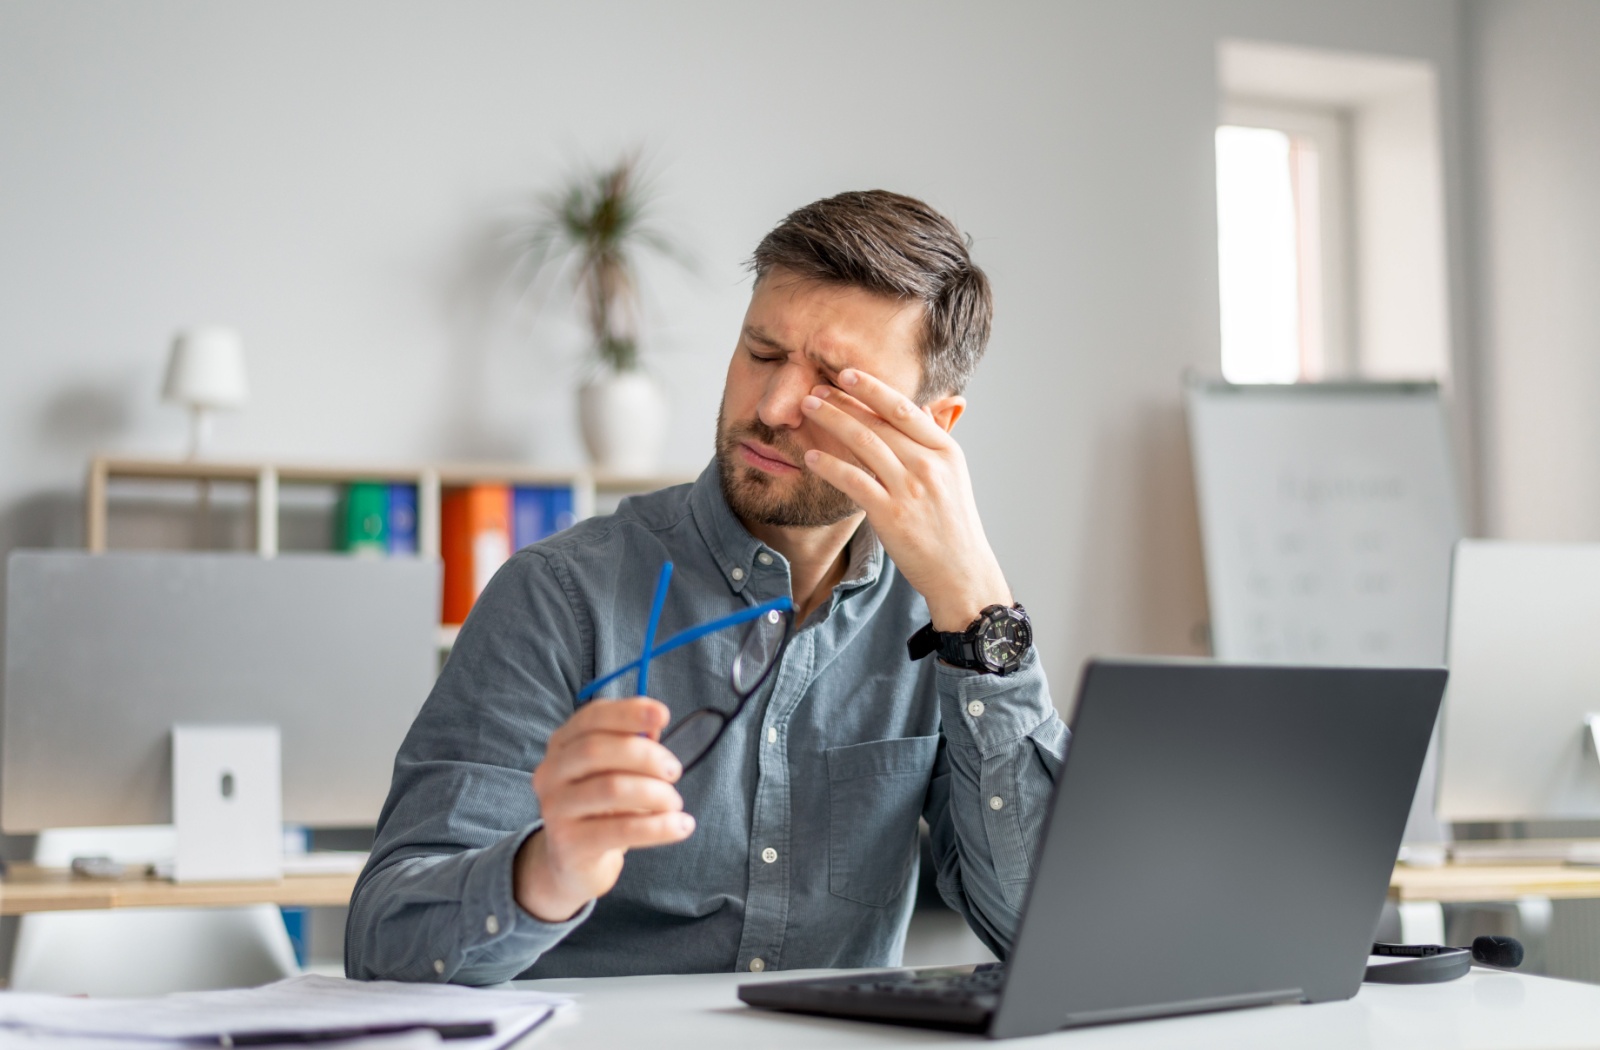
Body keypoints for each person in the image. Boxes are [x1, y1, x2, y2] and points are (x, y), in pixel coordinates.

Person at [346, 190, 1068, 984]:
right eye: (761, 353)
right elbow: (385, 942)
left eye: (833, 383)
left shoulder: (941, 628)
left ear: (935, 427)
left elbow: (1056, 939)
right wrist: (546, 871)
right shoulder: (557, 596)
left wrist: (980, 610)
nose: (772, 407)